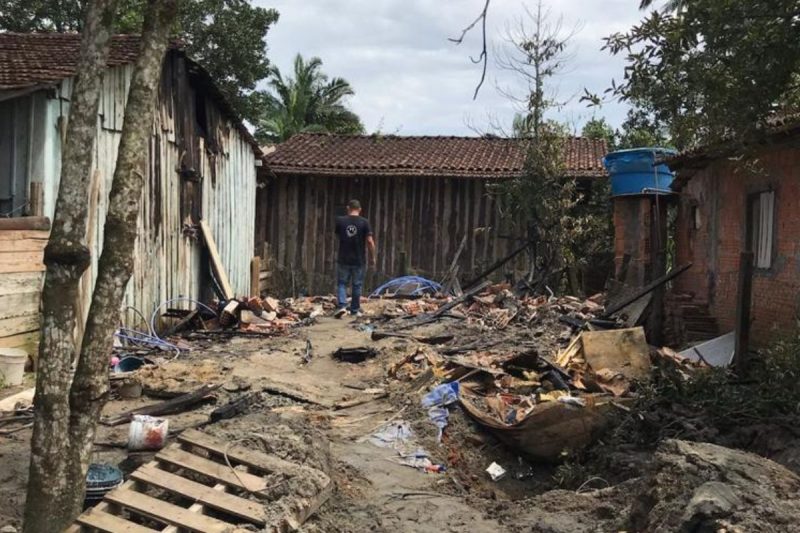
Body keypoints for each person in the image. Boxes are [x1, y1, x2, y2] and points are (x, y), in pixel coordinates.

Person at [334, 199, 376, 317]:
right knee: (357, 285)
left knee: (342, 283)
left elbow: (338, 236)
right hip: (359, 259)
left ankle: (342, 306)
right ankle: (354, 310)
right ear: (360, 210)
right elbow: (369, 241)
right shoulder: (364, 222)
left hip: (343, 257)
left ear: (348, 208)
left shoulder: (340, 221)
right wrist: (373, 257)